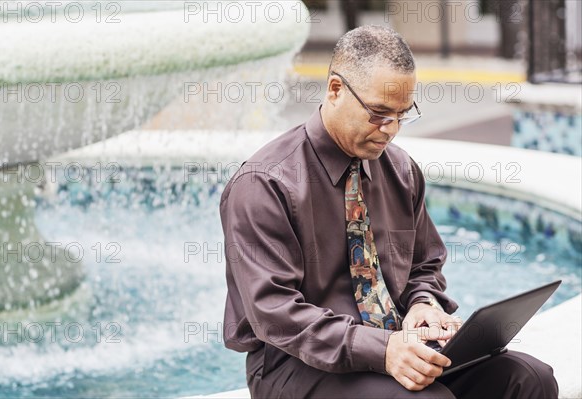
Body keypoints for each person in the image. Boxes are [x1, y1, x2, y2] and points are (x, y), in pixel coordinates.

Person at [220, 25, 558, 398]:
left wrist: (423, 303)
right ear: (335, 89)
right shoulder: (264, 183)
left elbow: (424, 265)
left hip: (397, 343)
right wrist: (383, 351)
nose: (391, 129)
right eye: (379, 113)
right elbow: (274, 313)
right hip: (292, 365)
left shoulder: (400, 170)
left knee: (530, 377)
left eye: (402, 114)